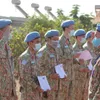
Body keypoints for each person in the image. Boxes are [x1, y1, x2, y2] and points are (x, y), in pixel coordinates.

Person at [38, 29, 67, 100]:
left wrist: (62, 73)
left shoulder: (56, 50)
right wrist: (50, 75)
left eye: (58, 39)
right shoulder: (42, 52)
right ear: (48, 39)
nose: (57, 41)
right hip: (48, 85)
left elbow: (58, 63)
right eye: (54, 39)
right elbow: (38, 69)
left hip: (57, 85)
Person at [18, 31, 43, 100]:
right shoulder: (24, 57)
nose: (39, 44)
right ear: (30, 43)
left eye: (39, 42)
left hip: (37, 91)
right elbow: (25, 76)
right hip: (28, 92)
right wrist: (36, 87)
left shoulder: (37, 55)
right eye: (37, 42)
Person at [0, 19, 17, 100]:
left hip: (10, 91)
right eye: (9, 31)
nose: (10, 34)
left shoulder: (7, 47)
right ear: (1, 33)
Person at [72, 29, 91, 100]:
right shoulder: (73, 49)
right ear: (76, 37)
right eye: (81, 36)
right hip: (77, 78)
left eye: (84, 36)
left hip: (84, 78)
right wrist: (81, 68)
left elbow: (86, 61)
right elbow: (71, 64)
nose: (83, 38)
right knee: (77, 97)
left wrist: (88, 67)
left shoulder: (83, 48)